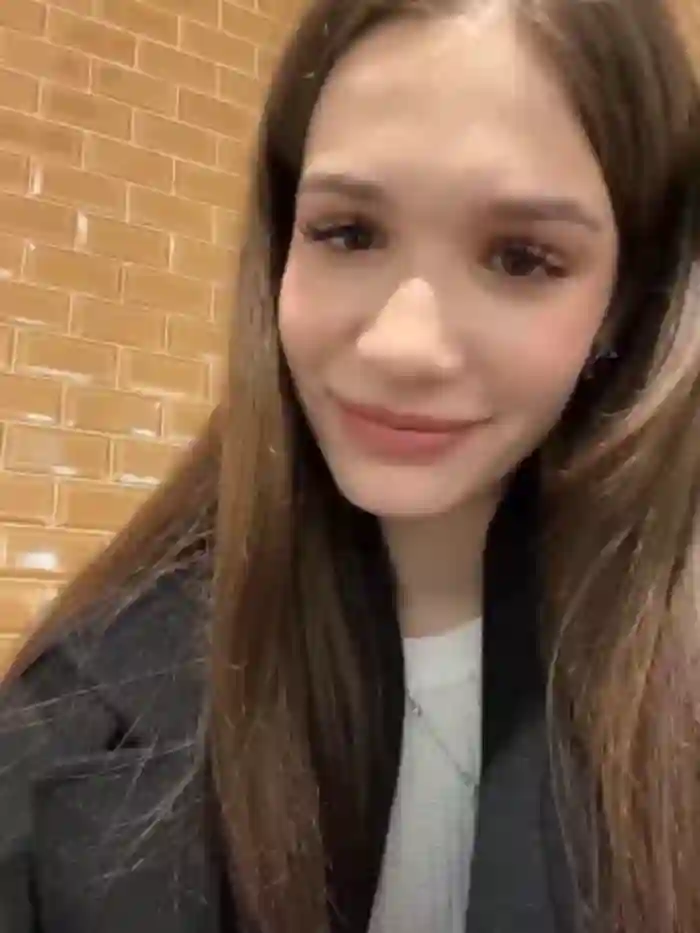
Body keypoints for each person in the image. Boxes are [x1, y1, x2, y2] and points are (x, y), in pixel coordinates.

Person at [1, 0, 699, 931]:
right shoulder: (79, 710)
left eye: (522, 258)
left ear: (625, 300)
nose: (403, 344)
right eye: (349, 233)